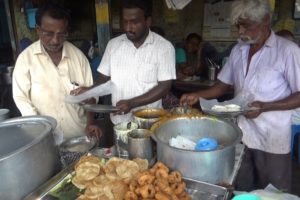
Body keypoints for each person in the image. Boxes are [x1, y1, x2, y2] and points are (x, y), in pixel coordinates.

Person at [180, 0, 300, 192]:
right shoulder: (239, 50)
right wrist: (197, 94)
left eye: (247, 25)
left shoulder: (287, 52)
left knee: (274, 192)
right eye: (238, 25)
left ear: (265, 21)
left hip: (271, 138)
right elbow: (222, 86)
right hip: (240, 135)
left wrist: (266, 106)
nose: (241, 31)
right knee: (241, 188)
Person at [71, 0, 176, 125]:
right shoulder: (113, 45)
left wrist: (132, 103)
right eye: (125, 21)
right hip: (119, 121)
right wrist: (89, 91)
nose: (127, 28)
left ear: (147, 21)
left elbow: (164, 87)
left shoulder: (164, 48)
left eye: (134, 22)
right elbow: (103, 78)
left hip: (150, 122)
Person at [12, 2, 102, 143]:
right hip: (43, 139)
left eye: (61, 34)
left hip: (78, 137)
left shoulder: (78, 57)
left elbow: (92, 97)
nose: (55, 40)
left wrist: (90, 122)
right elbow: (21, 98)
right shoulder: (25, 59)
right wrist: (40, 130)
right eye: (49, 34)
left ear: (67, 31)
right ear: (38, 30)